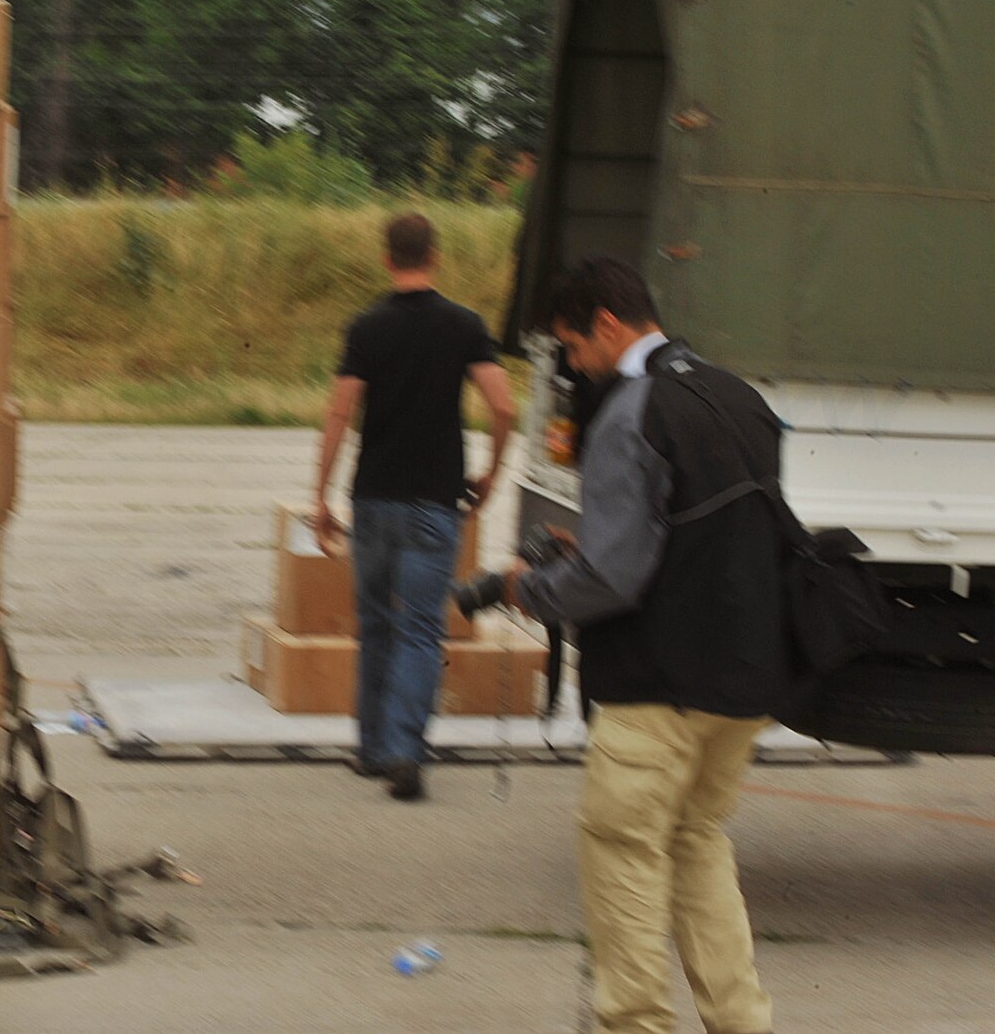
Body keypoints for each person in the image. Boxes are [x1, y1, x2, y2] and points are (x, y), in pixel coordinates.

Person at [509, 256, 789, 1034]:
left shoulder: (630, 411)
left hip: (656, 687)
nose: (572, 364)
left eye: (572, 345)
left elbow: (614, 577)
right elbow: (702, 533)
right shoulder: (740, 397)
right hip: (740, 682)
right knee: (699, 842)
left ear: (605, 323)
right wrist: (594, 542)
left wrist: (527, 589)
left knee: (623, 851)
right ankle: (742, 1021)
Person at [312, 213, 516, 800]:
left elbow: (339, 412)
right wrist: (493, 473)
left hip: (373, 499)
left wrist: (320, 495)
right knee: (421, 631)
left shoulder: (366, 327)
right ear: (435, 256)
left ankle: (373, 749)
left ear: (387, 258)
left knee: (375, 624)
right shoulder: (464, 325)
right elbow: (502, 407)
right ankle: (406, 751)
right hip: (434, 504)